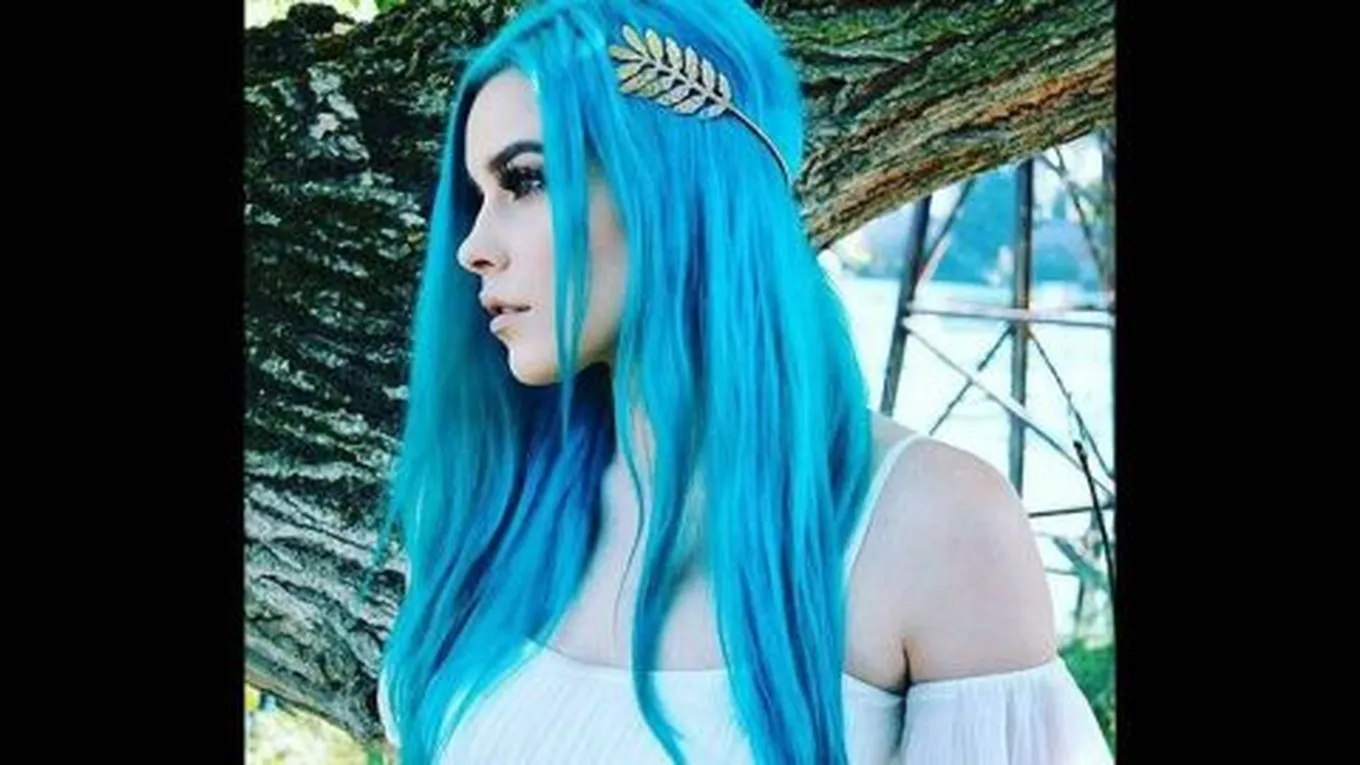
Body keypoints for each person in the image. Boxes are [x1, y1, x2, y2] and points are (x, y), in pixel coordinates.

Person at [372, 0, 1114, 762]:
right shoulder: (493, 506)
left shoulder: (933, 523)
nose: (471, 247)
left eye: (525, 180)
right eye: (478, 197)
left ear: (670, 178)